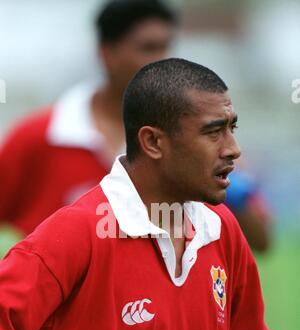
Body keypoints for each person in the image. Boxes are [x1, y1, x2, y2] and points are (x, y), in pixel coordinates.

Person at [0, 59, 279, 330]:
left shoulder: (222, 228)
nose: (233, 149)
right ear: (152, 142)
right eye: (213, 132)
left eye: (232, 128)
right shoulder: (76, 232)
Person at [0, 0, 177, 238]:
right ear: (107, 53)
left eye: (165, 48)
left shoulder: (180, 143)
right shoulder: (39, 136)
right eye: (148, 48)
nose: (161, 62)